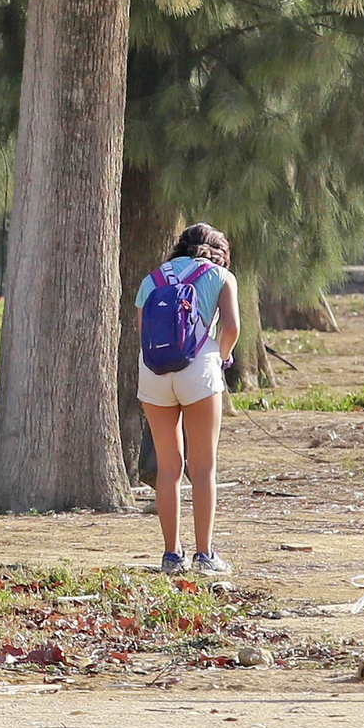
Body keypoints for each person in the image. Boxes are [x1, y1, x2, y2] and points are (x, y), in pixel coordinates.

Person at [134, 222, 240, 577]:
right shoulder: (221, 277)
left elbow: (143, 332)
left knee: (169, 467)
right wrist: (222, 356)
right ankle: (205, 555)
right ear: (219, 252)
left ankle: (171, 555)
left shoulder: (152, 280)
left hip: (154, 371)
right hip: (199, 370)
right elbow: (231, 328)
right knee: (203, 467)